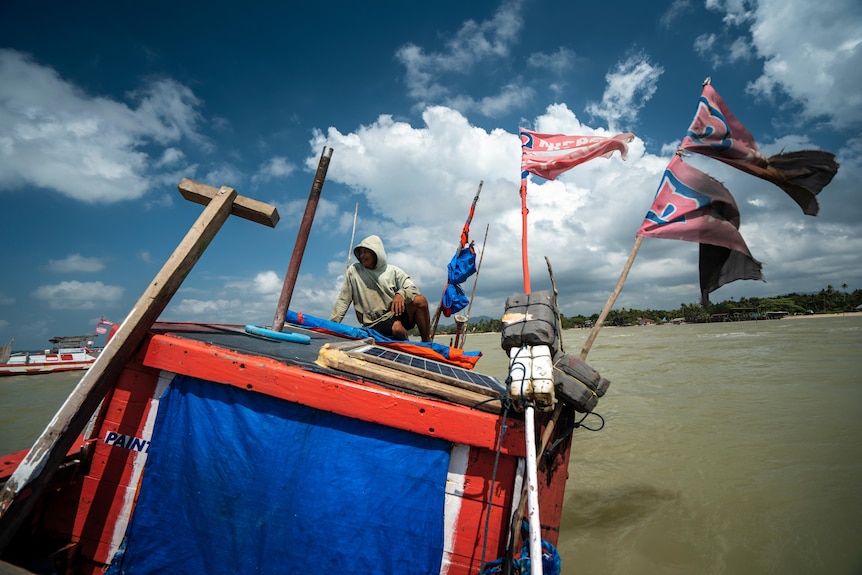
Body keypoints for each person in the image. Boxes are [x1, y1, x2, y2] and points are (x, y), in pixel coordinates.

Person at [330, 235, 432, 342]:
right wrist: (331, 326)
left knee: (420, 301)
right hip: (374, 323)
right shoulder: (355, 271)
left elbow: (413, 289)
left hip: (393, 313)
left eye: (366, 252)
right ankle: (407, 344)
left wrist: (401, 294)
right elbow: (343, 300)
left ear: (376, 253)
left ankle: (427, 342)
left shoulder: (393, 271)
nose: (362, 255)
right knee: (397, 329)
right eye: (361, 252)